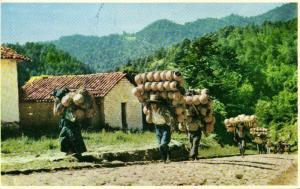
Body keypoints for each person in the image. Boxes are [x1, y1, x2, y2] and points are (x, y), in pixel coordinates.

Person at [52, 88, 87, 159]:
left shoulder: (61, 104)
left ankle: (72, 153)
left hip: (67, 124)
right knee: (74, 136)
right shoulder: (72, 103)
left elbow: (55, 113)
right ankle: (76, 153)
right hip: (74, 123)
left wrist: (55, 102)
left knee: (66, 137)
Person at [147, 94, 176, 163]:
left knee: (163, 144)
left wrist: (172, 127)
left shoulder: (163, 109)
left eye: (154, 103)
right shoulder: (150, 110)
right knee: (160, 145)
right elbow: (149, 120)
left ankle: (167, 157)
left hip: (165, 127)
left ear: (157, 103)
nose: (153, 105)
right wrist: (149, 114)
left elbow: (171, 118)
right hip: (157, 127)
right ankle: (164, 159)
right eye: (152, 103)